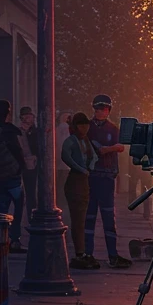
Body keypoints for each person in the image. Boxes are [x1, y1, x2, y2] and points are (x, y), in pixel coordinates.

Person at [86, 94, 131, 269]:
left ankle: (112, 255)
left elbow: (121, 146)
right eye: (98, 108)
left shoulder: (113, 128)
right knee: (89, 217)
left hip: (106, 176)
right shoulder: (87, 128)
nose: (101, 111)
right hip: (90, 176)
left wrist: (107, 149)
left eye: (104, 109)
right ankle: (87, 254)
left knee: (107, 217)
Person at [0, 100, 26, 252]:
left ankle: (1, 241)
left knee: (1, 211)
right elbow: (18, 152)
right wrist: (22, 167)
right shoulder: (9, 131)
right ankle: (14, 240)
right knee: (19, 206)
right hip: (12, 177)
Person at [61, 112, 98, 269]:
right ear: (75, 127)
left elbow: (94, 156)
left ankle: (82, 252)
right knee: (78, 220)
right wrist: (81, 169)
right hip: (75, 181)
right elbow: (65, 157)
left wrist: (90, 167)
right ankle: (79, 253)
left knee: (82, 220)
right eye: (81, 125)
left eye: (86, 125)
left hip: (84, 181)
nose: (85, 128)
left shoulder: (86, 141)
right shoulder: (71, 141)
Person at [19, 106, 39, 223]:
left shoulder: (36, 131)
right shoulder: (18, 131)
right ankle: (30, 216)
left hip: (34, 164)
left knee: (33, 192)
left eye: (30, 115)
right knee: (28, 193)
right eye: (26, 115)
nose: (28, 117)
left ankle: (33, 216)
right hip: (23, 165)